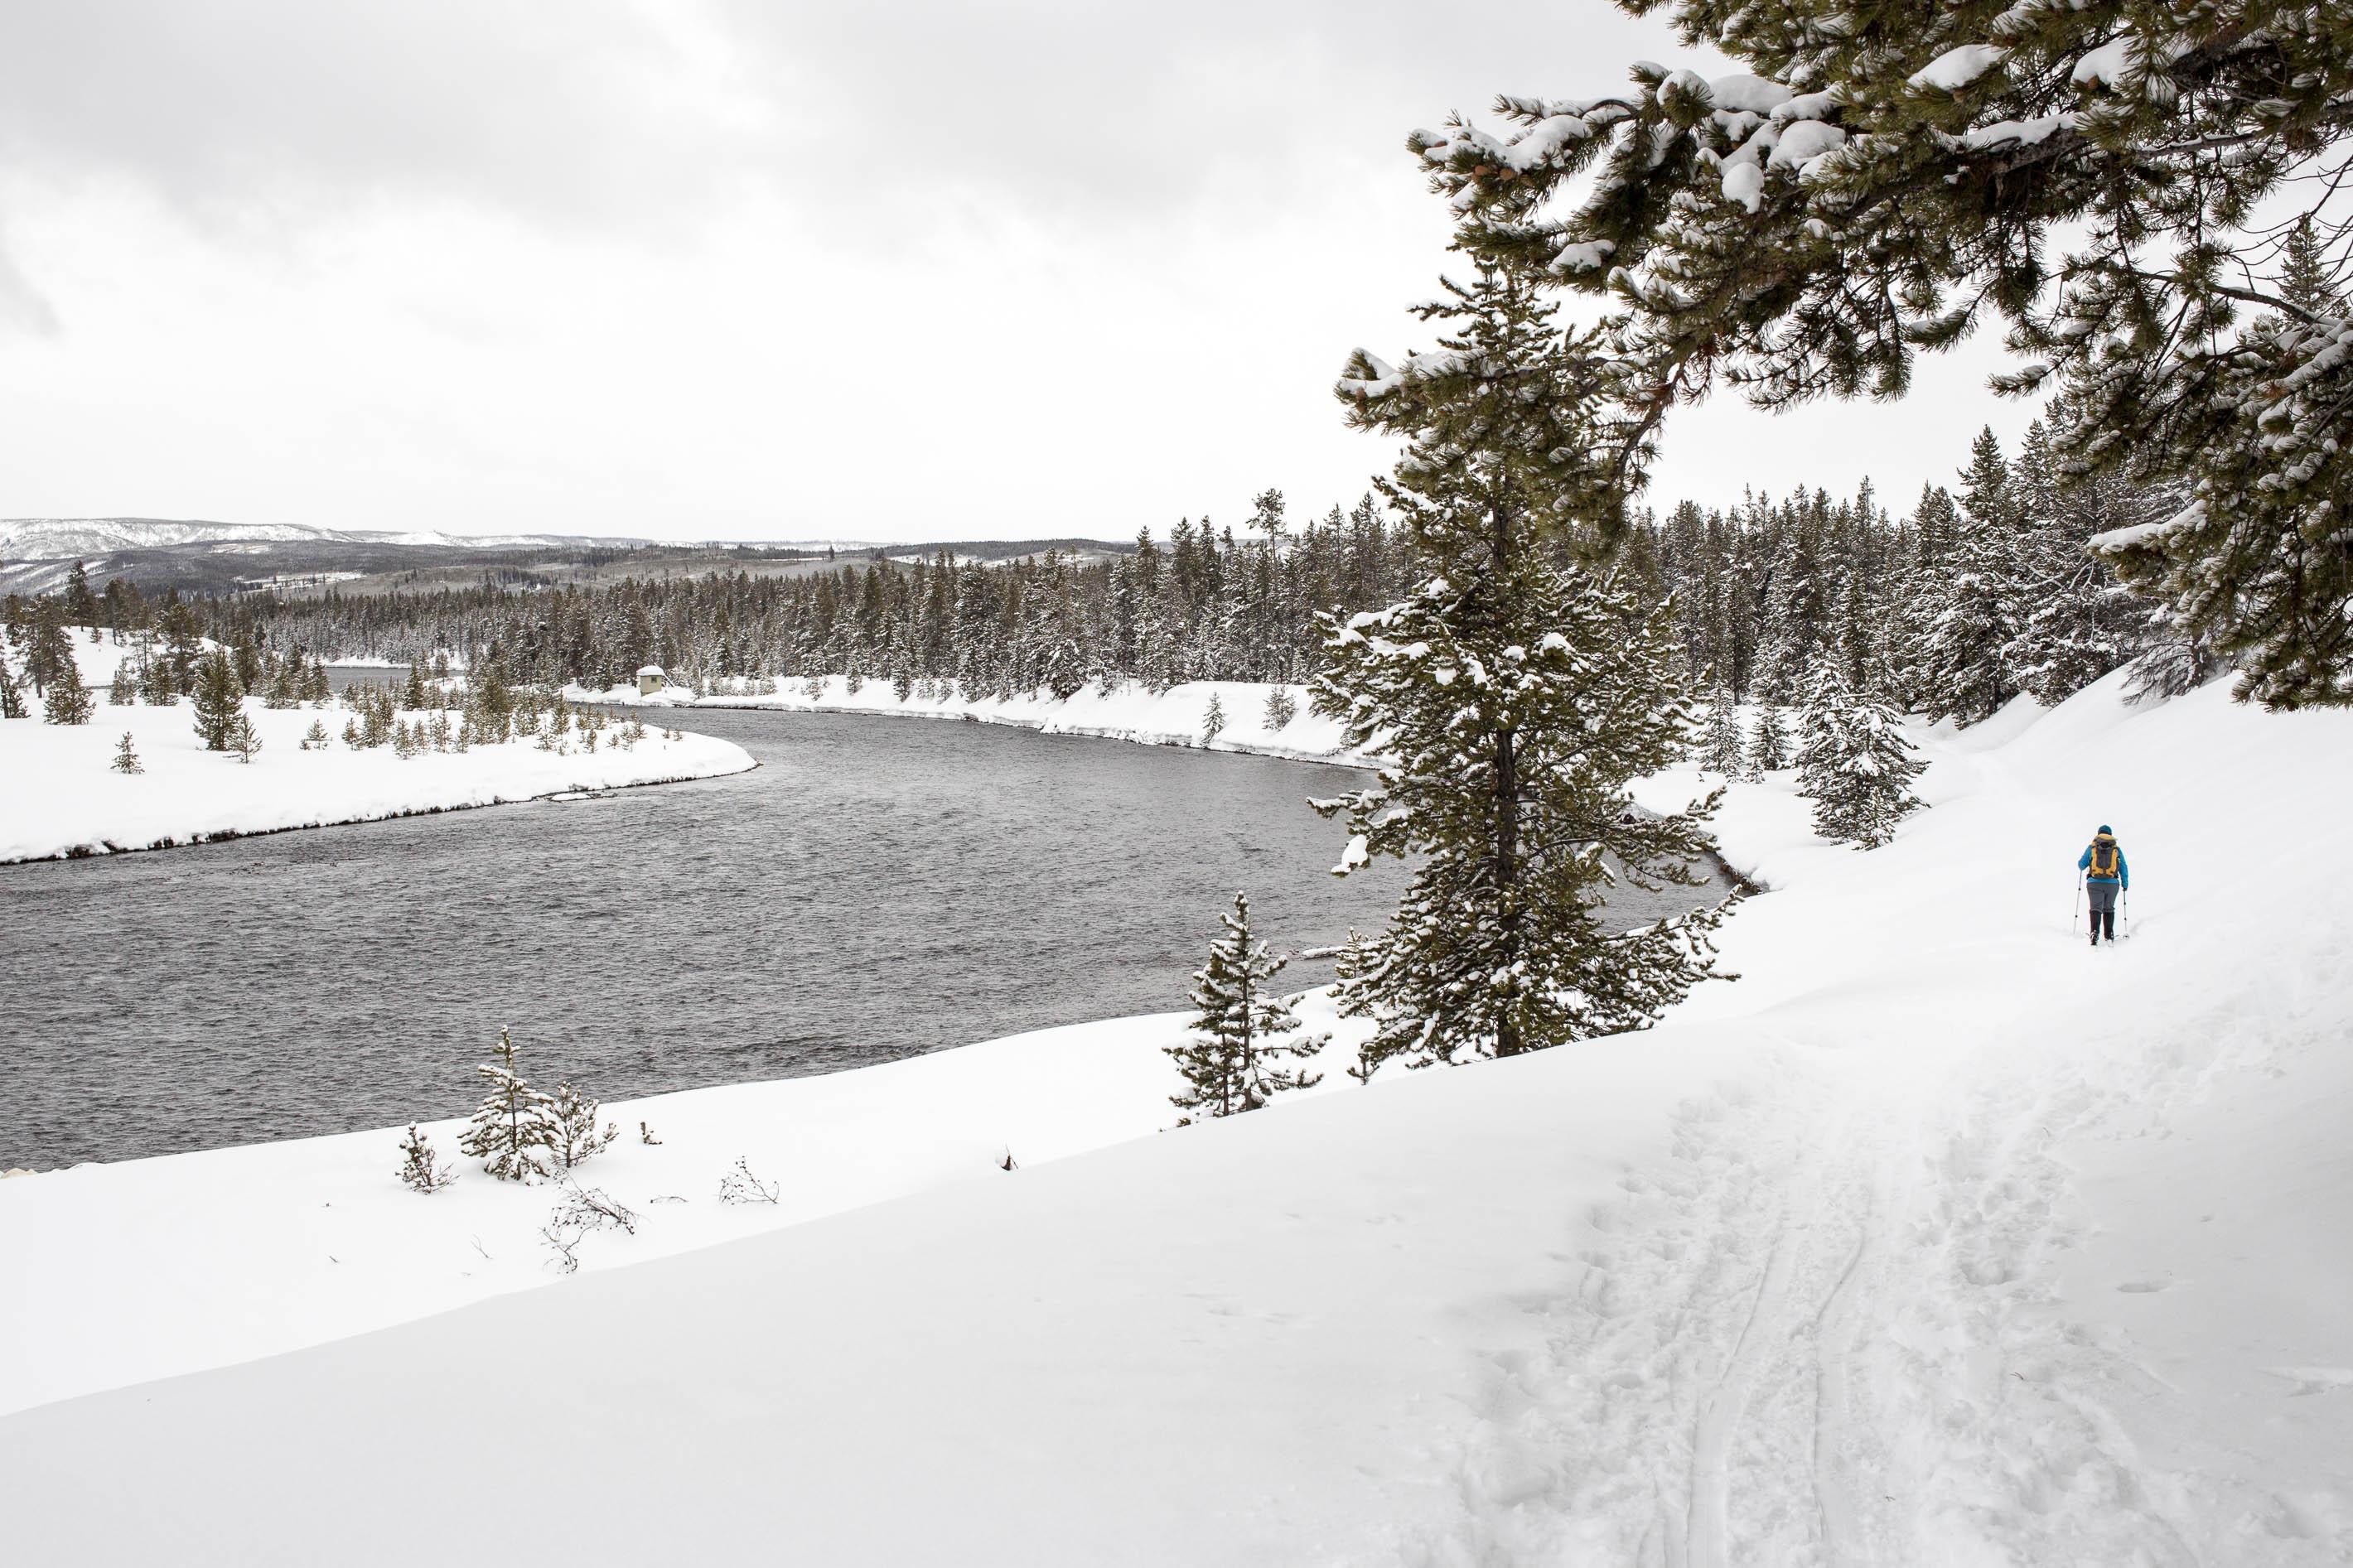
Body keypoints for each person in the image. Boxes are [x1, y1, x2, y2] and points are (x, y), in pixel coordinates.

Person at [2078, 824, 2128, 946]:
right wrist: (2125, 884)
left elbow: (2081, 865)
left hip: (2094, 883)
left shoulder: (2092, 847)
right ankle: (2109, 935)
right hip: (2112, 884)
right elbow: (2123, 867)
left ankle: (2094, 933)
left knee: (2095, 908)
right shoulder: (2116, 849)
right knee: (2109, 908)